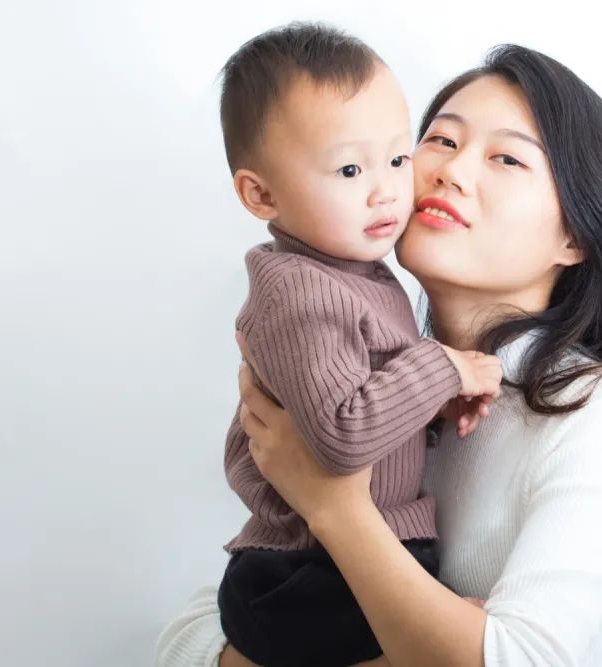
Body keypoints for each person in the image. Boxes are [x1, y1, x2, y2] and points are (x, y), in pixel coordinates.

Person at [156, 42, 602, 667]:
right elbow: (193, 634)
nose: (451, 171)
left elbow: (519, 660)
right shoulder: (379, 373)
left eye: (507, 158)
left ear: (574, 235)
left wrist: (335, 509)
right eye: (439, 140)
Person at [211, 22, 502, 667]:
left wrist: (432, 403)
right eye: (349, 169)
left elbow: (363, 397)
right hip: (309, 573)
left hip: (348, 553)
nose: (386, 190)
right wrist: (442, 366)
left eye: (398, 160)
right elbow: (343, 434)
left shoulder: (357, 273)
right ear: (261, 194)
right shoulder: (302, 290)